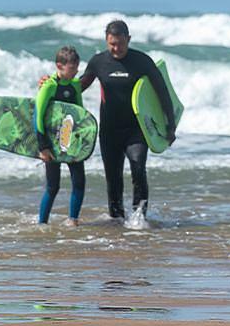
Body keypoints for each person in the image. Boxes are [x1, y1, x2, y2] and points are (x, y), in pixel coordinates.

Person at [75, 19, 175, 224]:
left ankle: (139, 218)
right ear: (106, 40)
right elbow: (79, 86)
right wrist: (54, 85)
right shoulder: (98, 62)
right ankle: (117, 220)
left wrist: (170, 125)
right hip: (109, 131)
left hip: (136, 130)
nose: (116, 48)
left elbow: (162, 93)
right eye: (112, 43)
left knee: (138, 168)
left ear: (128, 39)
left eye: (120, 43)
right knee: (113, 178)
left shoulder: (142, 61)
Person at [35, 46, 86, 226]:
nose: (76, 72)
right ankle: (42, 223)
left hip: (71, 142)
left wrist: (82, 141)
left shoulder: (75, 85)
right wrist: (43, 146)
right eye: (72, 68)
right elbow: (38, 116)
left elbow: (80, 114)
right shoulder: (49, 86)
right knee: (53, 186)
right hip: (51, 143)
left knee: (79, 182)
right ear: (59, 65)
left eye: (77, 68)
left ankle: (73, 220)